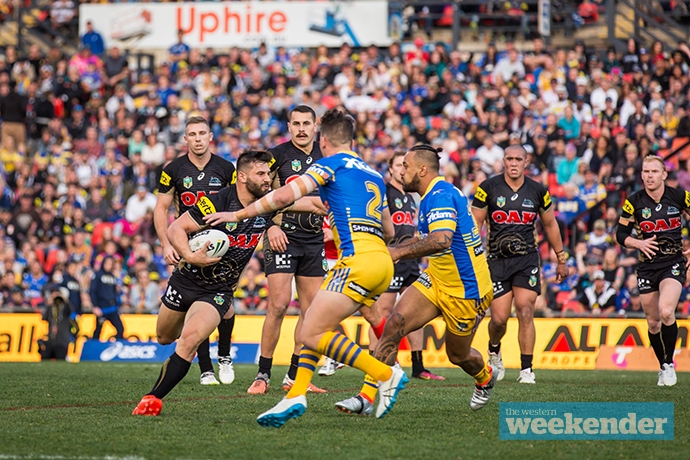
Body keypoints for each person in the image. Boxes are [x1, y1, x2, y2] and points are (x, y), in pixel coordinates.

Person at [203, 109, 405, 426]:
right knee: (314, 321)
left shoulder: (328, 164)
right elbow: (390, 230)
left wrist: (237, 215)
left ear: (322, 140)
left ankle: (385, 373)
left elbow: (282, 194)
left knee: (313, 331)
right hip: (381, 259)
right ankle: (295, 393)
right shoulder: (373, 173)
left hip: (357, 261)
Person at [132, 150, 325, 416]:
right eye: (261, 174)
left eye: (268, 173)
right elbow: (176, 229)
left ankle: (151, 399)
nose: (268, 179)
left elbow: (314, 204)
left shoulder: (268, 204)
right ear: (242, 177)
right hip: (185, 280)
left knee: (188, 342)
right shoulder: (217, 200)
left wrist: (343, 208)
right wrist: (190, 256)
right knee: (164, 337)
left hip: (218, 291)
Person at [336, 144, 496, 417]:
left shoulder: (441, 195)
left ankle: (484, 376)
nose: (401, 173)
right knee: (394, 324)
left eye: (406, 167)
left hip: (466, 289)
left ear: (422, 170)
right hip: (436, 279)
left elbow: (441, 239)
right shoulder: (432, 193)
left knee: (458, 356)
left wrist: (397, 251)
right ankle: (366, 396)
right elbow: (429, 239)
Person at [247, 105, 327, 395]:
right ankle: (263, 375)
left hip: (314, 238)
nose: (302, 128)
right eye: (296, 123)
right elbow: (258, 193)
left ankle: (295, 376)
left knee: (312, 311)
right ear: (289, 126)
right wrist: (269, 226)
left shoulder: (325, 155)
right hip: (282, 236)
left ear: (315, 126)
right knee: (279, 304)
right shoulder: (276, 155)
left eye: (307, 123)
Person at [472, 145, 568, 384]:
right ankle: (494, 349)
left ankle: (527, 370)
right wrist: (472, 257)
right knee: (499, 319)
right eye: (509, 159)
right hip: (496, 260)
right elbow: (476, 223)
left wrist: (561, 258)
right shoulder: (488, 188)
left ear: (526, 162)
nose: (513, 163)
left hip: (527, 260)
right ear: (503, 161)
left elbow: (550, 225)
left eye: (518, 159)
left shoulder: (537, 191)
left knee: (526, 310)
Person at [154, 116, 237, 385]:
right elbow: (161, 208)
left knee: (226, 308)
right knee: (193, 305)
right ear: (186, 138)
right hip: (188, 245)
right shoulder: (173, 169)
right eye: (193, 134)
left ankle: (224, 357)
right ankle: (206, 369)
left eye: (202, 133)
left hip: (221, 246)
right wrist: (167, 244)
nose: (198, 138)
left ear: (211, 136)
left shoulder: (226, 168)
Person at [616, 154, 690, 386]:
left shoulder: (680, 196)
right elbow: (620, 234)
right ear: (641, 175)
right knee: (653, 323)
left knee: (667, 311)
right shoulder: (633, 201)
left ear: (664, 175)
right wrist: (637, 243)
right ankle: (662, 365)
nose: (650, 176)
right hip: (647, 267)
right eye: (646, 172)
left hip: (673, 263)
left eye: (654, 171)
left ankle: (669, 364)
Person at [39, 284, 79, 360]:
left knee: (60, 360)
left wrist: (64, 300)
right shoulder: (51, 308)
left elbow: (71, 311)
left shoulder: (65, 308)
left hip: (62, 341)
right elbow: (44, 318)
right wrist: (48, 304)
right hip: (50, 340)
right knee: (44, 359)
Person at [90, 255, 124, 341]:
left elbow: (114, 292)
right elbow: (92, 291)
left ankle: (114, 347)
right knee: (97, 332)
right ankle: (94, 350)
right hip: (101, 309)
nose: (108, 265)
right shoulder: (97, 275)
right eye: (107, 263)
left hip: (112, 309)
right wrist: (95, 306)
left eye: (111, 264)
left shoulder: (113, 277)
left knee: (120, 329)